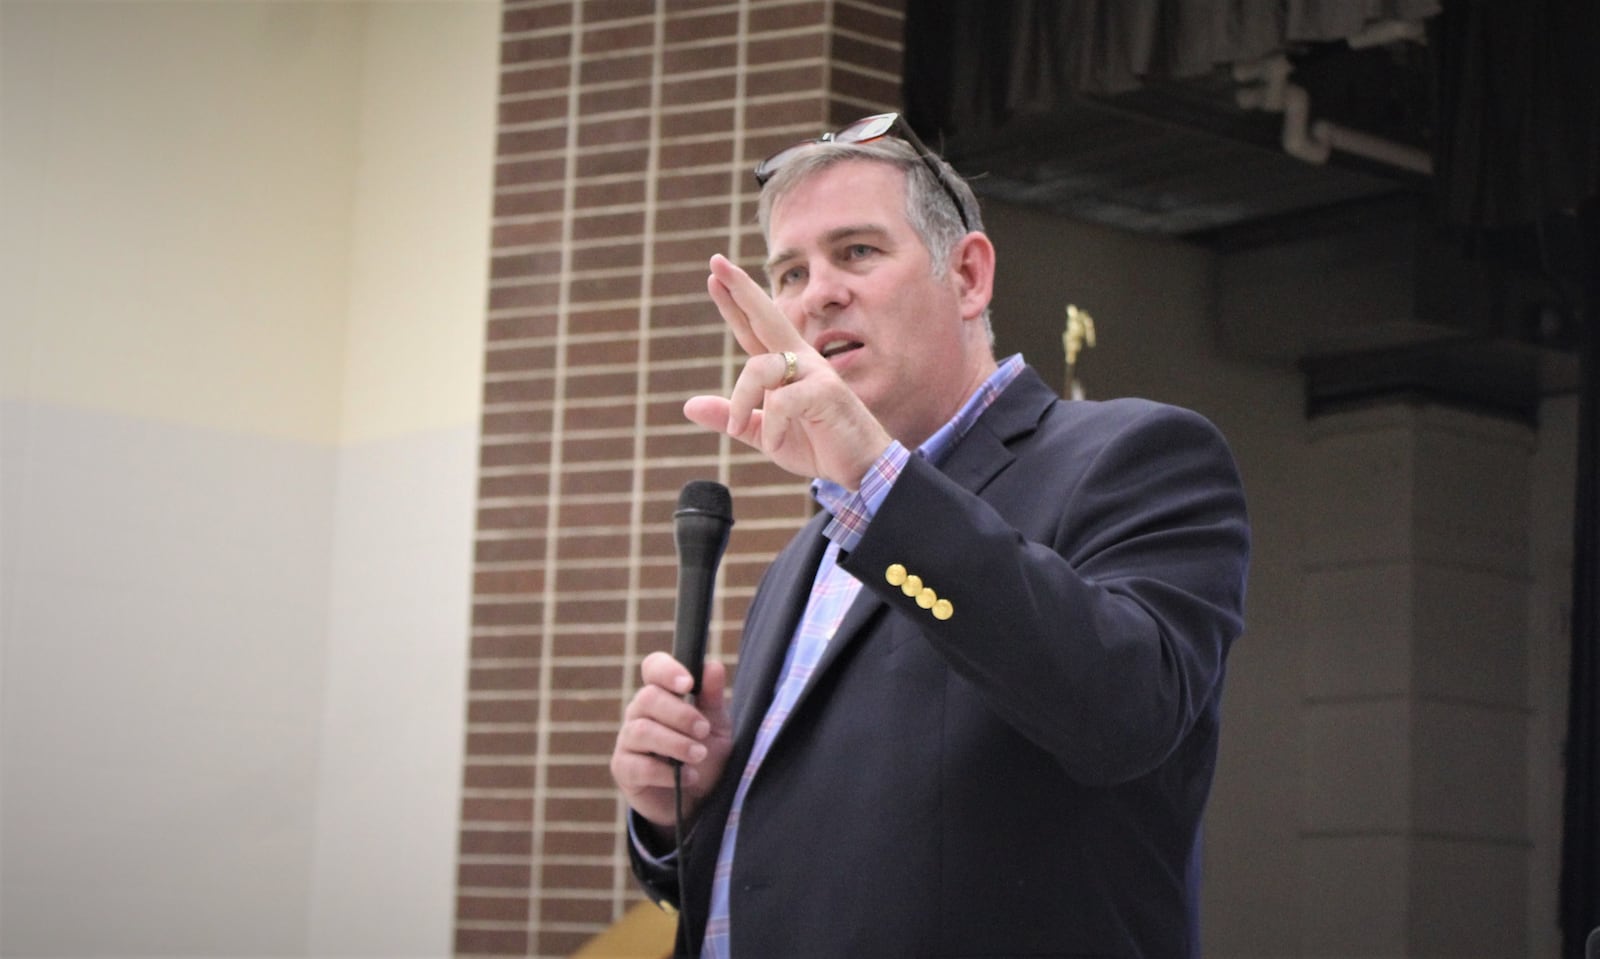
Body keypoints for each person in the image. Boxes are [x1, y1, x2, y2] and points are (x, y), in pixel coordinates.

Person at [608, 112, 1250, 959]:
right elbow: (784, 869)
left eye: (858, 253)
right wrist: (677, 812)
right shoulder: (805, 559)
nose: (817, 292)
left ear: (969, 274)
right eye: (790, 270)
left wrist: (879, 481)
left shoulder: (1137, 457)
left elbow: (1124, 716)